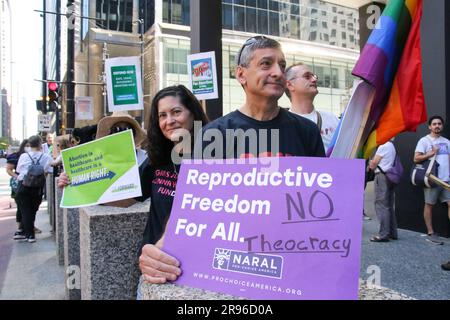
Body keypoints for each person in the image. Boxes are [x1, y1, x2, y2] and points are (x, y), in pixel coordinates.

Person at [139, 36, 325, 284]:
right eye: (266, 64)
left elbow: (321, 204)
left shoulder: (307, 132)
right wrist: (160, 250)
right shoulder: (213, 136)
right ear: (241, 75)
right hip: (232, 269)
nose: (278, 72)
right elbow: (190, 205)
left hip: (290, 268)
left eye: (282, 65)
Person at [284, 62, 340, 153]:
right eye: (307, 76)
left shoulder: (332, 119)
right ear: (290, 85)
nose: (314, 79)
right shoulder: (282, 125)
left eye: (314, 76)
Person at [414, 115, 450, 245]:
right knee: (429, 205)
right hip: (432, 179)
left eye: (439, 124)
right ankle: (430, 232)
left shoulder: (447, 142)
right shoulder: (424, 141)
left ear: (442, 126)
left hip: (446, 180)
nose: (437, 126)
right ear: (430, 126)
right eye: (434, 124)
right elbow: (416, 158)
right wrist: (431, 153)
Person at [15, 135, 52, 243]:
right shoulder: (46, 157)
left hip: (23, 185)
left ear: (29, 145)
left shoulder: (24, 156)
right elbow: (50, 169)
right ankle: (29, 234)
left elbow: (18, 170)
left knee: (25, 210)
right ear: (41, 144)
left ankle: (23, 232)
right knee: (32, 210)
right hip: (37, 188)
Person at [368, 140, 398, 242]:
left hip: (381, 177)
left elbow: (373, 165)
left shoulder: (383, 146)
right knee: (389, 205)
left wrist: (370, 162)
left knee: (381, 205)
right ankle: (393, 233)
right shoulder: (392, 146)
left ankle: (383, 234)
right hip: (390, 177)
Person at [6, 139, 29, 239]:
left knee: (29, 206)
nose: (29, 147)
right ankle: (20, 228)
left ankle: (27, 226)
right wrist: (17, 177)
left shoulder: (33, 155)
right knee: (20, 206)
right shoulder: (16, 156)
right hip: (18, 184)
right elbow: (8, 169)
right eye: (27, 145)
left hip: (31, 183)